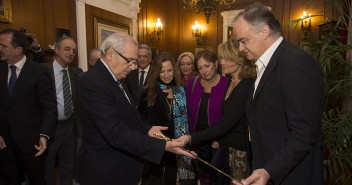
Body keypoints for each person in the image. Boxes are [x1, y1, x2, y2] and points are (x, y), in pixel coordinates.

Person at [77, 32, 194, 185]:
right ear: (111, 54)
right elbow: (114, 131)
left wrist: (146, 129)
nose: (133, 67)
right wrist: (162, 145)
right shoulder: (94, 83)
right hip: (105, 171)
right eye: (130, 61)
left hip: (121, 168)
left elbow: (126, 117)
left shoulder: (115, 76)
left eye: (134, 62)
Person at [231, 3, 323, 185]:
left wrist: (270, 170)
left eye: (243, 41)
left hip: (289, 175)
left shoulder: (296, 63)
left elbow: (303, 133)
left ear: (264, 31)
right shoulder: (264, 64)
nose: (240, 49)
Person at [177, 39, 256, 182]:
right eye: (221, 58)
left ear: (238, 59)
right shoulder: (232, 82)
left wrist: (191, 137)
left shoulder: (245, 85)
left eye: (226, 58)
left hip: (238, 150)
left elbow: (225, 124)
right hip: (224, 146)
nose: (223, 62)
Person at [0, 29, 57, 185]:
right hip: (4, 143)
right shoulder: (1, 69)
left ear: (17, 50)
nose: (0, 49)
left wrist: (44, 135)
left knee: (37, 180)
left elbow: (49, 108)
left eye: (3, 46)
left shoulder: (39, 72)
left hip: (33, 143)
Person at [139, 52, 195, 185]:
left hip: (176, 143)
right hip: (155, 144)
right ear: (156, 72)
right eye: (162, 71)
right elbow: (140, 119)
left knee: (171, 179)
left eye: (169, 70)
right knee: (153, 180)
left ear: (174, 70)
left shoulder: (181, 90)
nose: (166, 74)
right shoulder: (148, 91)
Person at [186, 49, 228, 185]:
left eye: (207, 65)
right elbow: (187, 112)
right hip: (196, 139)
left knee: (217, 178)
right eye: (200, 68)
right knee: (199, 175)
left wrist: (220, 139)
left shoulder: (227, 84)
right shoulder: (193, 83)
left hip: (217, 141)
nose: (204, 71)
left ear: (216, 63)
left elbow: (230, 116)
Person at [43, 36, 78, 185]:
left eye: (74, 51)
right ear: (56, 50)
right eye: (67, 49)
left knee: (68, 165)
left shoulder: (74, 75)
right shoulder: (42, 71)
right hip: (50, 128)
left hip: (69, 126)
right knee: (47, 166)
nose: (71, 53)